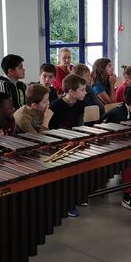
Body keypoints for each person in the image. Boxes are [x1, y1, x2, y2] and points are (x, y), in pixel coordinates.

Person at [48, 74, 88, 217]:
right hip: (57, 143)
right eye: (82, 90)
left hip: (74, 139)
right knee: (67, 172)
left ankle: (77, 195)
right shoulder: (55, 106)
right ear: (71, 91)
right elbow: (49, 130)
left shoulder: (81, 102)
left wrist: (82, 137)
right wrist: (62, 142)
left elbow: (80, 123)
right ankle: (67, 202)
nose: (85, 92)